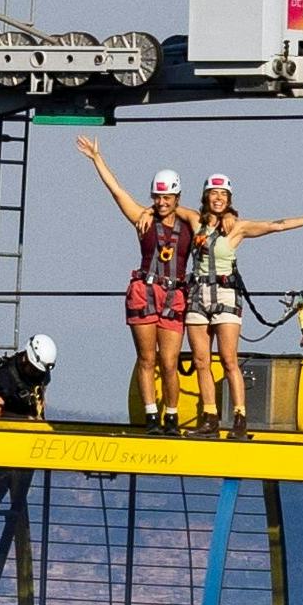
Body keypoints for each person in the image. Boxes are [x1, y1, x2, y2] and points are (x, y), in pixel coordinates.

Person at [186, 170, 303, 430]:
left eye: (223, 194)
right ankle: (209, 416)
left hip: (225, 295)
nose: (218, 198)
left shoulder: (238, 227)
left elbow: (274, 225)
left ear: (229, 198)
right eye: (213, 193)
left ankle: (239, 416)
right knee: (201, 360)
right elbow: (162, 207)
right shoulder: (193, 220)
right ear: (205, 196)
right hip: (198, 295)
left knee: (228, 358)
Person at [77, 146, 204, 424]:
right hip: (144, 292)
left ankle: (171, 415)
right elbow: (118, 193)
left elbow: (201, 218)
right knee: (147, 359)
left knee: (170, 362)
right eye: (157, 197)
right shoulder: (142, 221)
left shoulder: (189, 224)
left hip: (175, 295)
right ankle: (150, 415)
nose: (161, 202)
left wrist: (168, 208)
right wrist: (99, 159)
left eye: (167, 197)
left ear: (177, 197)